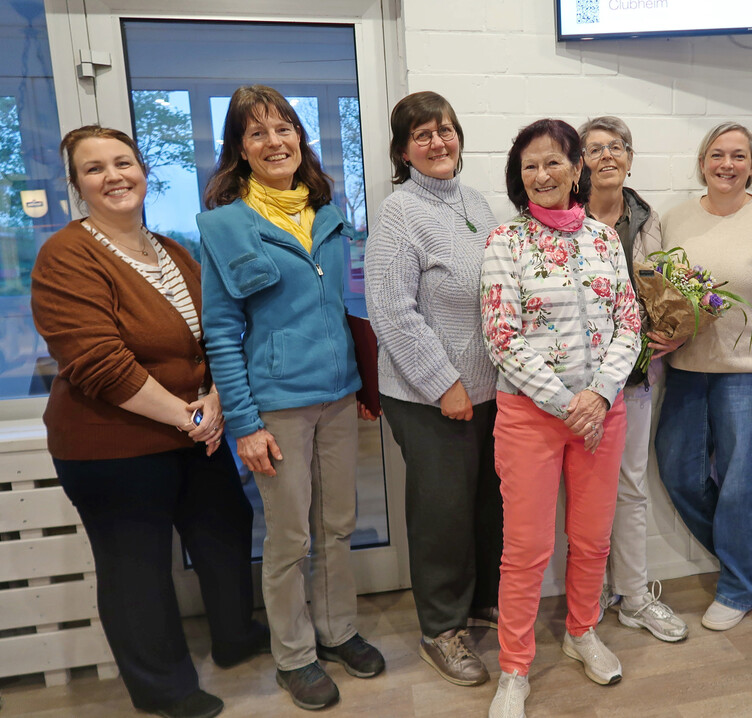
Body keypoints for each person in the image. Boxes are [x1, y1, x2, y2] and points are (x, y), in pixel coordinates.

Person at [30, 126, 267, 718]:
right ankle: (164, 688)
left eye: (123, 162)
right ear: (75, 184)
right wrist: (191, 415)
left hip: (195, 431)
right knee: (135, 565)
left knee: (225, 528)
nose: (113, 176)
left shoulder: (173, 248)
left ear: (143, 171)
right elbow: (97, 362)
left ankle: (236, 639)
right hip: (111, 446)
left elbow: (215, 332)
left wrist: (214, 398)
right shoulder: (66, 255)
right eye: (94, 169)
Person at [198, 85, 384, 710]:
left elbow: (343, 304)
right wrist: (245, 424)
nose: (274, 141)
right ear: (240, 150)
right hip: (276, 404)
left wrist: (363, 380)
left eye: (283, 129)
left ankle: (337, 631)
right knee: (289, 538)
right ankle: (294, 656)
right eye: (257, 134)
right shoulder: (226, 226)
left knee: (337, 525)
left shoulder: (327, 210)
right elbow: (221, 334)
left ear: (298, 139)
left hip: (338, 395)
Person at [481, 119, 641, 718]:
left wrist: (598, 396)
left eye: (553, 163)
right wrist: (567, 403)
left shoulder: (603, 239)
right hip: (531, 416)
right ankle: (515, 669)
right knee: (525, 547)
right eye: (530, 166)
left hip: (603, 412)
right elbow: (501, 338)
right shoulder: (506, 242)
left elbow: (630, 321)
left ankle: (581, 633)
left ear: (577, 168)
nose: (542, 175)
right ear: (518, 176)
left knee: (593, 536)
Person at [654, 122, 752, 633]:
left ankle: (739, 586)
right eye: (718, 154)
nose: (727, 164)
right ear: (703, 162)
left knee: (742, 486)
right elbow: (660, 290)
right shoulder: (674, 220)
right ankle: (740, 548)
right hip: (686, 371)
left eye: (739, 156)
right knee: (679, 473)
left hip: (750, 375)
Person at [365, 91, 502, 686]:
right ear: (403, 150)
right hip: (428, 396)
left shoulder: (478, 203)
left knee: (486, 503)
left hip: (493, 389)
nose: (438, 141)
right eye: (423, 135)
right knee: (443, 510)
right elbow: (391, 312)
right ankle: (440, 630)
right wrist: (445, 383)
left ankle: (479, 605)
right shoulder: (399, 213)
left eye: (446, 130)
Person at [577, 115, 687, 642]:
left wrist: (676, 331)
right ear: (581, 161)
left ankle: (634, 594)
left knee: (632, 485)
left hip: (636, 375)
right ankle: (589, 592)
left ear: (629, 157)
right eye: (595, 148)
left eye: (616, 147)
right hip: (576, 383)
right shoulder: (561, 216)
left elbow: (663, 291)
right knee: (583, 490)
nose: (607, 156)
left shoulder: (647, 220)